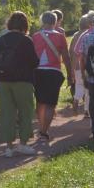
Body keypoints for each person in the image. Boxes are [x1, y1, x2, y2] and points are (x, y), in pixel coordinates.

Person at [0, 12, 39, 157]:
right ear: (25, 25)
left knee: (6, 112)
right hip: (22, 80)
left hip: (3, 80)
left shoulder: (2, 40)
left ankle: (9, 147)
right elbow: (34, 62)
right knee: (25, 111)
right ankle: (23, 144)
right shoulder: (26, 40)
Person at [31, 11, 69, 143]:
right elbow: (66, 57)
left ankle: (41, 128)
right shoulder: (60, 36)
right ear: (55, 21)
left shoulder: (35, 36)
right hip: (53, 71)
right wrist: (70, 74)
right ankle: (44, 131)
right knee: (50, 104)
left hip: (37, 72)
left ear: (42, 21)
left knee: (40, 102)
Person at [68, 14, 93, 115]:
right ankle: (87, 110)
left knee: (79, 86)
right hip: (86, 65)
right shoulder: (89, 34)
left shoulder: (76, 35)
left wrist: (72, 68)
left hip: (77, 66)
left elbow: (71, 51)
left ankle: (75, 101)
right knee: (88, 90)